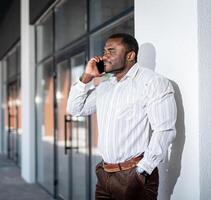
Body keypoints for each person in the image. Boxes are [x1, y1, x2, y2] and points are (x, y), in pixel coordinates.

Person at [67, 33, 177, 200]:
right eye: (104, 51)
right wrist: (87, 77)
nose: (105, 56)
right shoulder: (105, 87)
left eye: (111, 51)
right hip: (104, 174)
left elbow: (164, 130)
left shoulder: (152, 82)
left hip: (134, 175)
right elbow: (75, 109)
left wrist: (143, 171)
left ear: (130, 56)